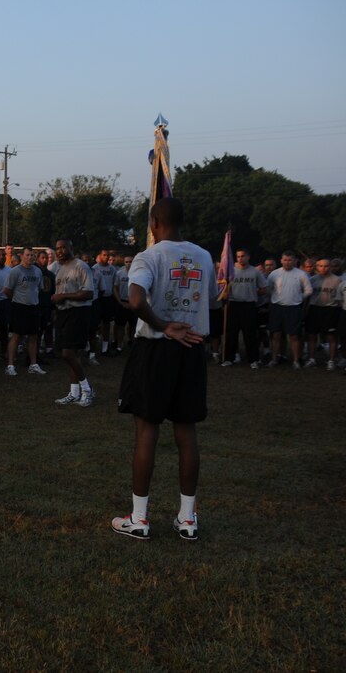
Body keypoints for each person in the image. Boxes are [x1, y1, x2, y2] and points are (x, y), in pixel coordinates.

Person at [112, 197, 213, 542]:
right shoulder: (203, 256)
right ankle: (187, 519)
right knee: (186, 433)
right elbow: (209, 297)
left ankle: (139, 519)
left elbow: (136, 300)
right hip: (193, 347)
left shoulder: (149, 256)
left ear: (154, 222)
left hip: (157, 349)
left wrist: (164, 324)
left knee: (146, 431)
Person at [51, 239, 95, 406]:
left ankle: (87, 390)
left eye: (63, 247)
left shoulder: (80, 266)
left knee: (68, 353)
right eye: (57, 248)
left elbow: (89, 292)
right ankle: (74, 392)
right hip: (63, 313)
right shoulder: (61, 270)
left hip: (78, 312)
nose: (60, 251)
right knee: (70, 356)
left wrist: (63, 297)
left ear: (71, 248)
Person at [2, 246, 46, 376]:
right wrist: (16, 299)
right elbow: (6, 290)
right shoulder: (15, 271)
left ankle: (33, 364)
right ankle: (10, 365)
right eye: (27, 255)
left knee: (33, 336)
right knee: (16, 336)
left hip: (33, 307)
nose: (30, 257)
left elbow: (39, 288)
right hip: (19, 307)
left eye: (32, 255)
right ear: (22, 256)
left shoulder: (38, 271)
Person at [266, 250, 312, 369]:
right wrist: (276, 297)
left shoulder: (301, 274)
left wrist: (299, 298)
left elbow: (308, 290)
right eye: (285, 260)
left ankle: (296, 360)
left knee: (294, 336)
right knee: (276, 335)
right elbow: (269, 288)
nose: (287, 262)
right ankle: (274, 359)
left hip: (294, 308)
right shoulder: (274, 274)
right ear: (281, 260)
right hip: (277, 308)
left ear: (295, 261)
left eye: (290, 260)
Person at [222, 248, 267, 369]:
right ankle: (228, 358)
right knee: (231, 333)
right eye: (238, 256)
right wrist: (225, 293)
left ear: (248, 257)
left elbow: (263, 289)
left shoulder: (255, 272)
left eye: (243, 256)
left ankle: (253, 359)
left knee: (250, 334)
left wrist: (252, 292)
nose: (240, 259)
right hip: (233, 304)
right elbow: (223, 286)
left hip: (249, 305)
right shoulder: (230, 271)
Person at [306, 258, 339, 370]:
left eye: (326, 266)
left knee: (331, 337)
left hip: (330, 310)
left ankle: (331, 361)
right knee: (311, 335)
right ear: (316, 267)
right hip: (315, 309)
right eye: (320, 266)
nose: (323, 268)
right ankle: (311, 359)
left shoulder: (337, 280)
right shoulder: (312, 279)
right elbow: (307, 296)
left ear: (330, 267)